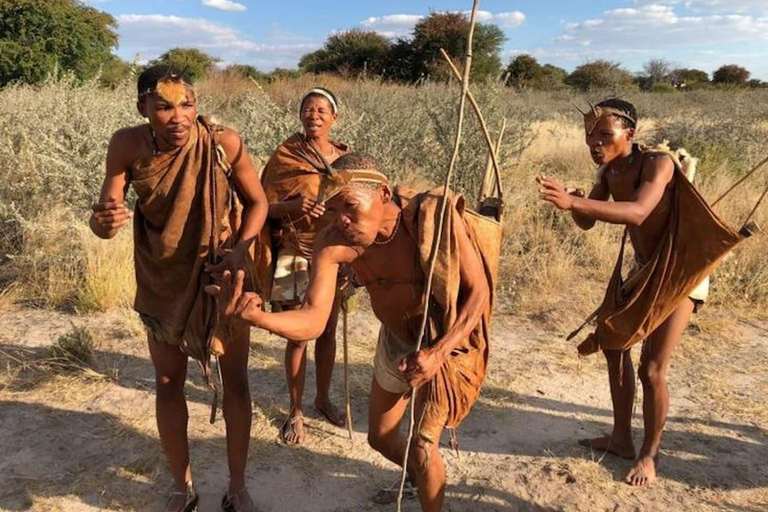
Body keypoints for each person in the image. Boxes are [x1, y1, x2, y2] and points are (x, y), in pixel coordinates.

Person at [207, 153, 495, 511]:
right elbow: (313, 320)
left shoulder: (430, 218)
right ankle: (418, 479)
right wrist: (258, 318)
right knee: (380, 438)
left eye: (350, 207)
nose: (342, 220)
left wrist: (438, 353)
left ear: (384, 195)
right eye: (334, 209)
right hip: (396, 342)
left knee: (422, 445)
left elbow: (479, 292)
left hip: (443, 339)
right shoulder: (333, 243)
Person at [89, 65, 268, 512]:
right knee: (168, 382)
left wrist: (241, 250)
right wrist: (103, 223)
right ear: (142, 108)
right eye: (164, 106)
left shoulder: (223, 142)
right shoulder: (126, 145)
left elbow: (258, 201)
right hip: (161, 280)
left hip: (220, 278)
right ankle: (181, 485)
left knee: (237, 386)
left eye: (186, 104)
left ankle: (238, 487)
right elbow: (105, 216)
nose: (178, 116)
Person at [537, 99, 709, 487]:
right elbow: (588, 221)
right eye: (590, 137)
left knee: (652, 369)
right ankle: (620, 439)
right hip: (645, 268)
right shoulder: (608, 170)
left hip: (681, 270)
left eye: (604, 135)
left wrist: (576, 202)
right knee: (614, 347)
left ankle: (649, 454)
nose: (595, 144)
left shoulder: (658, 164)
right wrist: (573, 202)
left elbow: (638, 212)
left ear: (629, 134)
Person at [260, 87, 349, 445]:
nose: (314, 115)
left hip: (332, 256)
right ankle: (295, 410)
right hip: (295, 251)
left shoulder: (345, 161)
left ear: (334, 118)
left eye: (322, 110)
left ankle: (322, 399)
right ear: (300, 115)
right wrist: (293, 207)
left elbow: (357, 207)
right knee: (298, 334)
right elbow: (262, 206)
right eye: (308, 109)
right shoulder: (286, 156)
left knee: (326, 331)